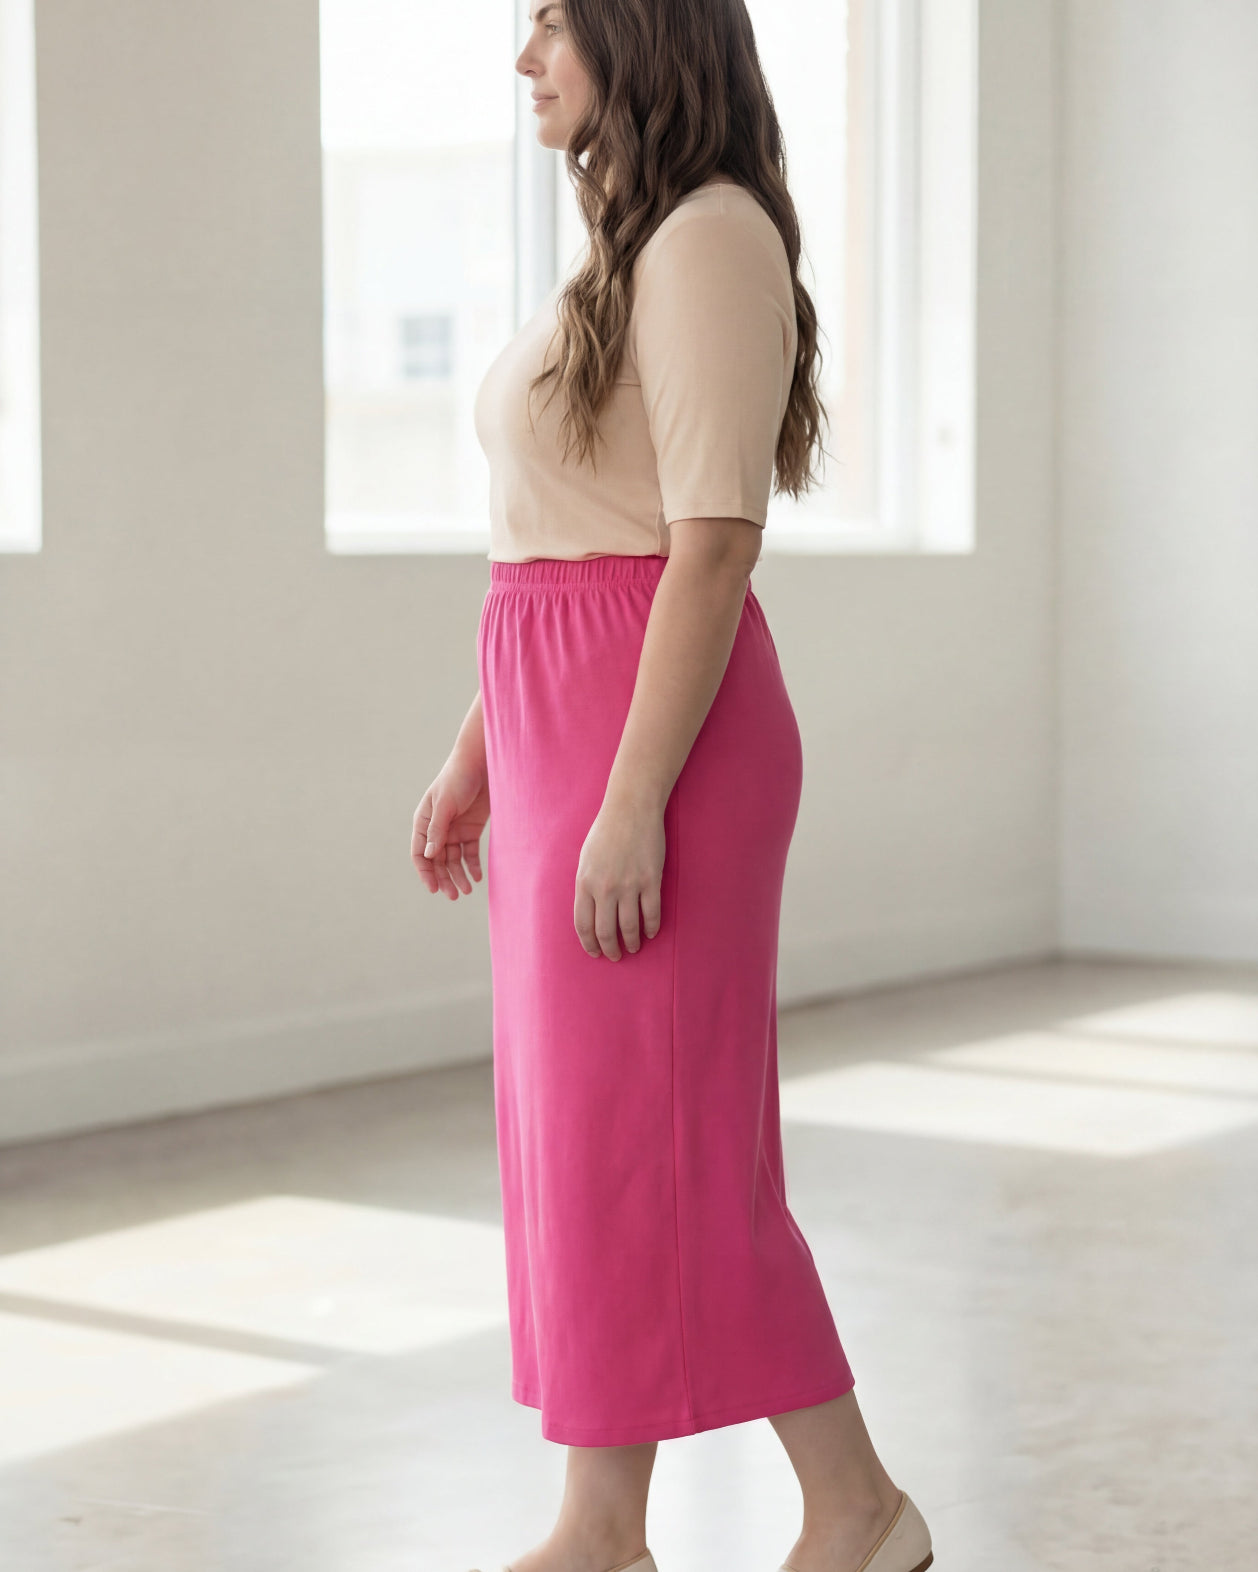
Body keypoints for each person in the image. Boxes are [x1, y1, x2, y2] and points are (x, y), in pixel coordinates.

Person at [411, 4, 933, 1572]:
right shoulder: (621, 248)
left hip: (661, 740)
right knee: (594, 1145)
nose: (525, 60)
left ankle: (856, 1509)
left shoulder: (708, 239)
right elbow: (565, 533)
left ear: (643, 36)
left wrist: (628, 800)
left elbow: (704, 547)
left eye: (553, 26)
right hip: (569, 722)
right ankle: (603, 1525)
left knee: (676, 1147)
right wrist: (479, 749)